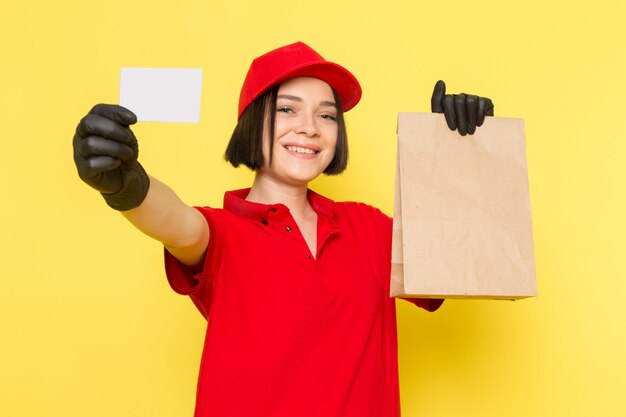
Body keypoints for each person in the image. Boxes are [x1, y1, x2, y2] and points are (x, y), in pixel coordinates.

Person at [73, 42, 494, 417]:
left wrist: (460, 149)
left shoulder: (369, 227)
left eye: (326, 115)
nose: (309, 127)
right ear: (252, 123)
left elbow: (461, 260)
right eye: (287, 109)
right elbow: (176, 222)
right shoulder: (223, 233)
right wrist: (128, 185)